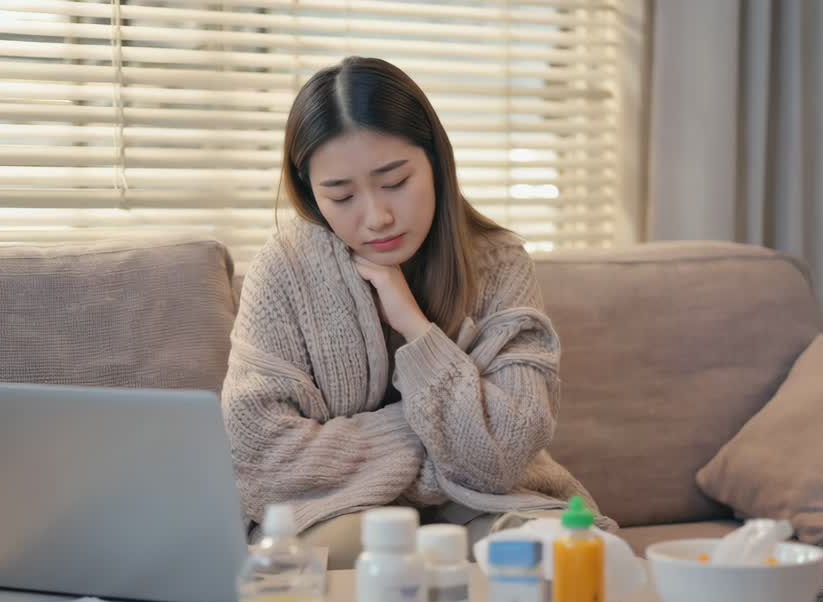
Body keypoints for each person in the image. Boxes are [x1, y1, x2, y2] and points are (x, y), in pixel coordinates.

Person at [221, 56, 616, 569]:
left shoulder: (499, 265)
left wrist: (414, 325)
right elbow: (258, 455)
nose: (376, 217)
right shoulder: (285, 271)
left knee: (568, 558)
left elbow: (502, 454)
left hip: (486, 502)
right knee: (362, 556)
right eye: (340, 195)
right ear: (311, 195)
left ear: (435, 160)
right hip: (337, 509)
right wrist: (438, 438)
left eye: (395, 181)